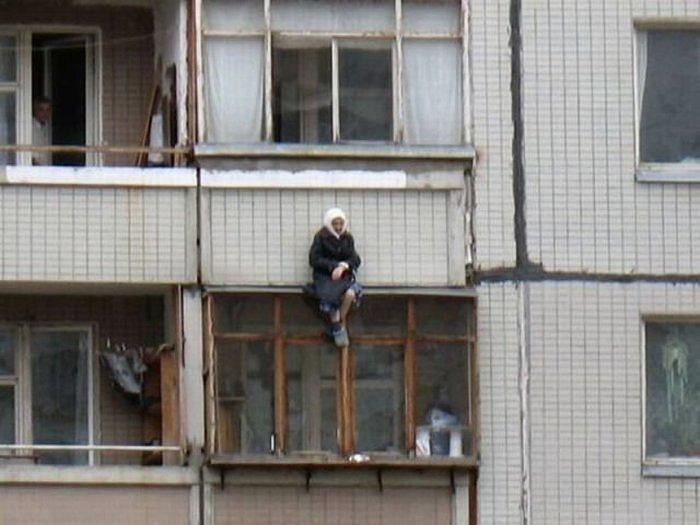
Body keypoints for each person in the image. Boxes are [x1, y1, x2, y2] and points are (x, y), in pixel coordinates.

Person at [307, 207, 362, 348]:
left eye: (340, 224)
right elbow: (314, 259)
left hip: (344, 277)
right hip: (325, 277)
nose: (338, 227)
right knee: (331, 299)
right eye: (335, 224)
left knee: (350, 294)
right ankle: (337, 328)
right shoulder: (321, 237)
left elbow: (355, 259)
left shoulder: (347, 238)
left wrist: (343, 266)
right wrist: (333, 266)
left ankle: (336, 325)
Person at [32, 97, 52, 166]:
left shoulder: (47, 127)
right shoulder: (29, 128)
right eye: (41, 110)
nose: (45, 113)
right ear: (35, 110)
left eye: (48, 110)